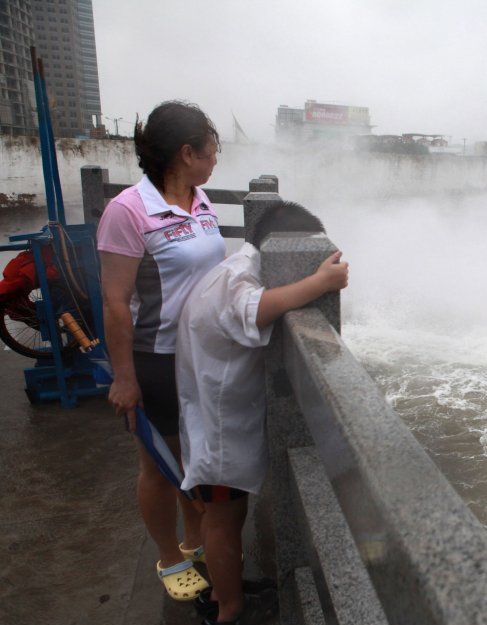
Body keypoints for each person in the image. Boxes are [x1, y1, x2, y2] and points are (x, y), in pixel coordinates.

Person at [175, 202, 349, 625]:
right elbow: (256, 309)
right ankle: (229, 609)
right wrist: (319, 280)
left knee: (228, 514)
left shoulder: (239, 267)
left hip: (214, 413)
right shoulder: (238, 279)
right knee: (222, 518)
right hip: (216, 427)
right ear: (271, 249)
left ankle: (223, 588)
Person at [97, 101, 224, 600]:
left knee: (193, 454)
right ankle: (169, 556)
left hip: (203, 356)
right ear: (186, 153)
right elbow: (114, 302)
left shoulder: (201, 199)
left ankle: (194, 540)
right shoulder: (128, 211)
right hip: (157, 357)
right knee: (157, 463)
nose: (216, 158)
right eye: (211, 150)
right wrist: (124, 378)